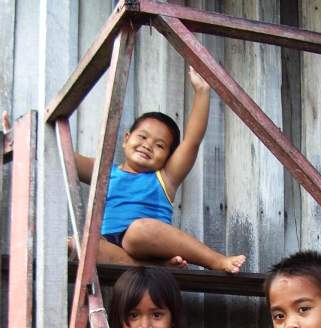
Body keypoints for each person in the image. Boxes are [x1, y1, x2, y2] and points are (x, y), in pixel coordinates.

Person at [74, 67, 245, 273]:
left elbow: (192, 141)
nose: (147, 145)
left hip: (146, 241)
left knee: (138, 231)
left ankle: (216, 260)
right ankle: (151, 268)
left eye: (160, 145)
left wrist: (202, 92)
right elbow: (66, 157)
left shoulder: (164, 178)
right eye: (143, 137)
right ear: (126, 139)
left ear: (167, 157)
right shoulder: (105, 173)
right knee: (81, 243)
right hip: (110, 249)